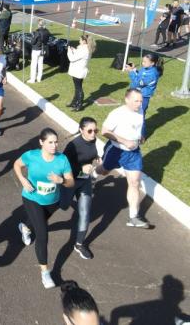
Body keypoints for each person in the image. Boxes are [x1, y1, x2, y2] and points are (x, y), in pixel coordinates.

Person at [13, 128, 74, 289]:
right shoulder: (32, 156)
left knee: (36, 222)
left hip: (52, 202)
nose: (54, 146)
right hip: (31, 197)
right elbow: (17, 164)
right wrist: (23, 180)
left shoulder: (62, 160)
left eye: (56, 142)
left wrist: (61, 180)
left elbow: (71, 182)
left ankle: (25, 227)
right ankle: (45, 272)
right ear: (41, 142)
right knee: (42, 233)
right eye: (50, 142)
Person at [94, 88, 151, 229]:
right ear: (127, 100)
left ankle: (133, 217)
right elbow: (105, 131)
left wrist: (141, 135)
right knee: (104, 171)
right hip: (116, 151)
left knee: (134, 183)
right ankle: (91, 176)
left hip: (134, 153)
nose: (139, 104)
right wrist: (124, 141)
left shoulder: (140, 110)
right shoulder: (117, 113)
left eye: (141, 100)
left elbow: (139, 125)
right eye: (136, 101)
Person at [60, 117, 100, 260]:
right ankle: (29, 224)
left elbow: (89, 154)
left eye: (96, 130)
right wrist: (81, 167)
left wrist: (96, 157)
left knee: (85, 213)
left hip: (84, 181)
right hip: (70, 181)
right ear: (81, 130)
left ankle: (79, 244)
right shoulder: (73, 146)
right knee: (62, 205)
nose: (93, 134)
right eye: (90, 131)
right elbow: (62, 164)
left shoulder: (93, 140)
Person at [125, 53, 163, 138]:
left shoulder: (152, 73)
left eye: (145, 62)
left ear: (152, 63)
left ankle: (141, 136)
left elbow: (138, 82)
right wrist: (134, 69)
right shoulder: (145, 68)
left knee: (140, 117)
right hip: (137, 94)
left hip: (143, 98)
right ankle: (131, 131)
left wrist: (131, 72)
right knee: (132, 114)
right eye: (142, 61)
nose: (142, 63)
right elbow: (139, 76)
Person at [67, 35, 95, 112]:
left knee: (78, 88)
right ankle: (74, 102)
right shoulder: (85, 48)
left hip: (78, 71)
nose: (79, 41)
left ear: (84, 41)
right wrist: (74, 50)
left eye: (80, 40)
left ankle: (79, 105)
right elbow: (79, 55)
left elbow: (72, 58)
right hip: (79, 70)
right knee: (77, 87)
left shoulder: (84, 50)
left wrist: (69, 51)